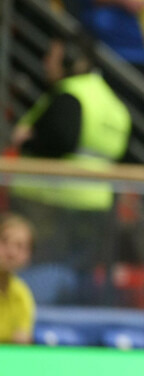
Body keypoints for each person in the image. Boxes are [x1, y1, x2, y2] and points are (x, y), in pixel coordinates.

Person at [9, 36, 130, 294]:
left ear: (71, 61)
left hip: (57, 204)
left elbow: (61, 139)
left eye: (51, 57)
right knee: (78, 274)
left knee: (48, 274)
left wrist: (29, 141)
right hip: (98, 202)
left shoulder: (71, 94)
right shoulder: (113, 104)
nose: (45, 64)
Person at [0, 214, 35, 344]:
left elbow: (23, 339)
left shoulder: (22, 294)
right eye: (4, 241)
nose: (11, 252)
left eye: (20, 246)